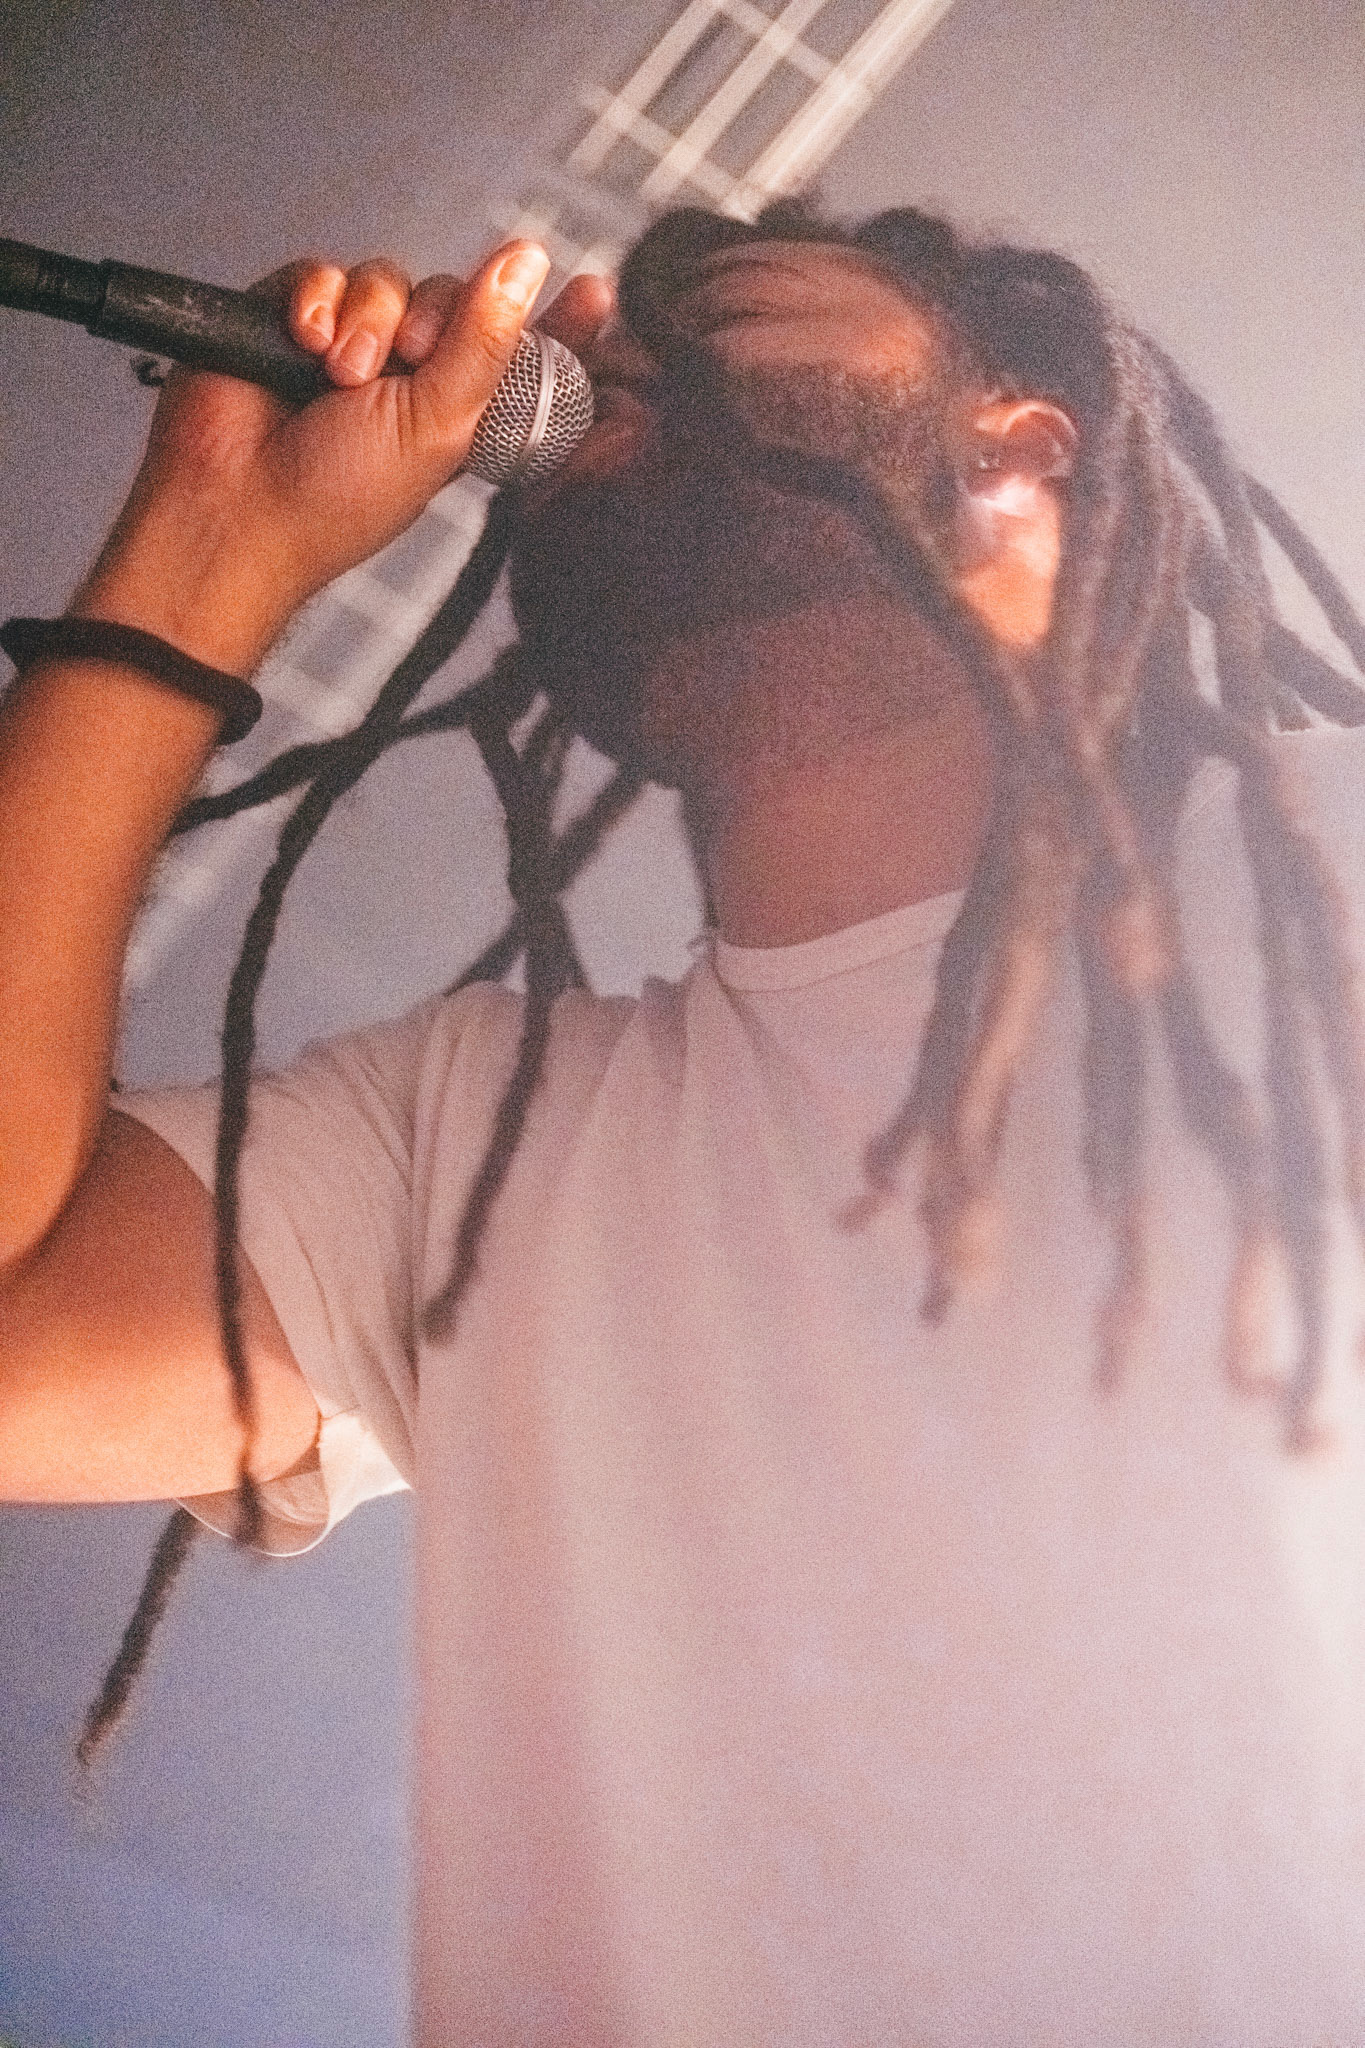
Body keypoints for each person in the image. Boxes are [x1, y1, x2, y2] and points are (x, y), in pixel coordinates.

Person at [3, 198, 1365, 2044]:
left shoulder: (1326, 860)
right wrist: (200, 555)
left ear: (1017, 457)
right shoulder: (477, 1150)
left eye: (724, 305)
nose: (601, 334)